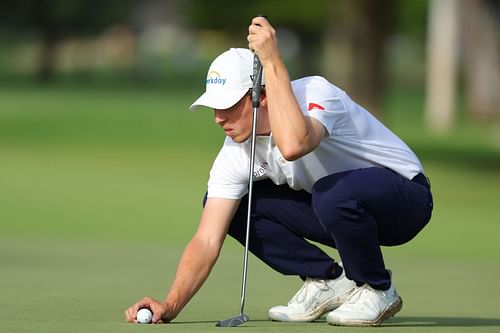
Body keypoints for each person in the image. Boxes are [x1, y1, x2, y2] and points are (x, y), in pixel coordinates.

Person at [124, 16, 433, 327]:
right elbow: (206, 239)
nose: (218, 118)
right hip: (342, 211)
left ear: (262, 95)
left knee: (332, 193)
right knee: (237, 207)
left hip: (404, 199)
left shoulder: (316, 93)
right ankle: (328, 279)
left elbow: (294, 144)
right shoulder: (234, 152)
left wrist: (272, 62)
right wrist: (171, 304)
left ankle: (378, 288)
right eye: (214, 108)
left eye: (228, 105)